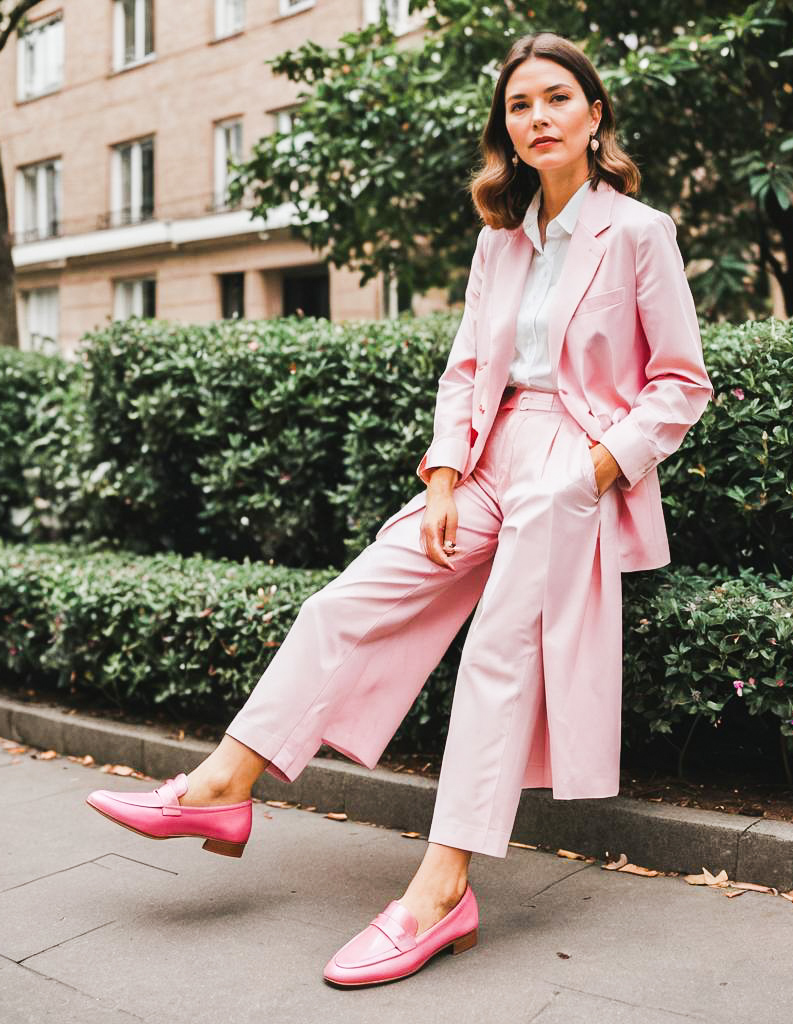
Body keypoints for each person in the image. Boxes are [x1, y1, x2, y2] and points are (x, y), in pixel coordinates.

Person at [85, 31, 714, 988]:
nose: (536, 118)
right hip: (488, 460)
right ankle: (223, 785)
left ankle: (439, 891)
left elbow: (679, 384)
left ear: (595, 116)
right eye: (518, 106)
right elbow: (467, 370)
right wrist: (445, 478)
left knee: (499, 660)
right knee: (347, 601)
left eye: (555, 100)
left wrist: (593, 470)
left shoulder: (638, 232)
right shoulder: (497, 242)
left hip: (571, 475)